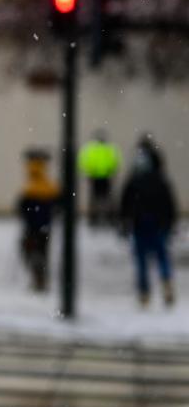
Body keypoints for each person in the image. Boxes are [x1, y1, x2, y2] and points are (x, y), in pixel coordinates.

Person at [120, 143, 177, 308]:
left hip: (140, 222)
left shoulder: (134, 181)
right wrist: (169, 222)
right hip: (157, 222)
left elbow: (125, 203)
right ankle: (165, 282)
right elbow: (169, 203)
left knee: (142, 260)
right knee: (161, 256)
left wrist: (124, 221)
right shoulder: (160, 180)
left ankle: (144, 292)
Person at [17, 149, 60, 292]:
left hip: (32, 224)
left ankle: (37, 278)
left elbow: (23, 204)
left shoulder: (32, 183)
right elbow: (57, 201)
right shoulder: (47, 184)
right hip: (45, 223)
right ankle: (41, 278)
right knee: (42, 251)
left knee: (32, 250)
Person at [79, 129, 122, 227]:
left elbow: (84, 161)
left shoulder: (92, 148)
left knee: (99, 199)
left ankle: (98, 218)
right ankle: (101, 218)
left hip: (98, 177)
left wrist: (89, 171)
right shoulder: (109, 148)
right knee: (103, 199)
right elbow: (116, 161)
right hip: (101, 176)